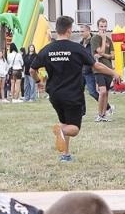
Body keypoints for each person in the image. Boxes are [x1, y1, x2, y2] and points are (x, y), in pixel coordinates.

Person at [29, 15, 117, 162]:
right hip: (73, 94)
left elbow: (32, 70)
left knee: (65, 122)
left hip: (55, 95)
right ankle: (60, 131)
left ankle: (65, 154)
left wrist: (38, 81)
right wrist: (113, 72)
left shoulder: (47, 49)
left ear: (57, 30)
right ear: (69, 30)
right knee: (74, 129)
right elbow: (96, 65)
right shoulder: (77, 49)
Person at [89, 19, 115, 120]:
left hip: (108, 68)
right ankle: (99, 114)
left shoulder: (109, 40)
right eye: (101, 26)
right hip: (99, 68)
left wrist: (103, 55)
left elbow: (112, 56)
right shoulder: (95, 39)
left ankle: (104, 114)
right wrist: (103, 40)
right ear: (98, 27)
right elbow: (100, 52)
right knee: (102, 91)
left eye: (105, 26)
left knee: (107, 92)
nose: (103, 29)